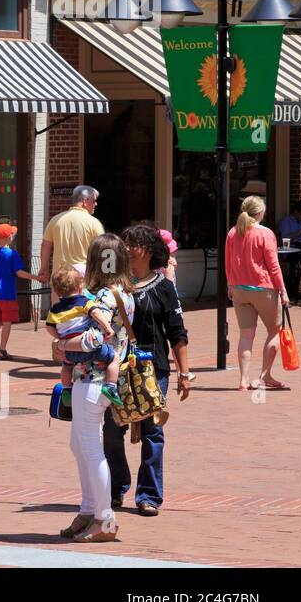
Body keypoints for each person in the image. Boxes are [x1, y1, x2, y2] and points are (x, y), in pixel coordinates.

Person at [106, 223, 192, 517]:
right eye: (124, 242)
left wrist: (184, 373)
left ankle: (149, 495)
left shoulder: (165, 288)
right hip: (116, 368)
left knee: (152, 431)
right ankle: (116, 487)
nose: (126, 247)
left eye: (131, 243)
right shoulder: (115, 286)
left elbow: (178, 333)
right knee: (112, 430)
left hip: (153, 368)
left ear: (144, 249)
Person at [57, 233, 134, 542]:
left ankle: (104, 518)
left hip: (94, 378)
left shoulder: (102, 296)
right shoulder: (120, 292)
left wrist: (61, 344)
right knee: (81, 446)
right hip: (94, 378)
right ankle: (90, 509)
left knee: (90, 449)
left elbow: (93, 339)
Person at [225, 196, 291, 391]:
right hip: (264, 288)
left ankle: (243, 380)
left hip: (239, 289)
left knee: (246, 335)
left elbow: (228, 263)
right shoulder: (265, 233)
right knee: (274, 331)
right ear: (260, 212)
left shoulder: (232, 232)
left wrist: (230, 285)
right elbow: (274, 266)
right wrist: (283, 291)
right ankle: (264, 375)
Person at [45, 266, 119, 405]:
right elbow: (96, 313)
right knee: (114, 357)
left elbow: (48, 326)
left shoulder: (55, 309)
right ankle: (111, 386)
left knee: (66, 367)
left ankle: (67, 389)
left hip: (70, 352)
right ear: (80, 287)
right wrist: (107, 327)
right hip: (88, 347)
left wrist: (59, 337)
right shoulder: (84, 301)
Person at [0, 223, 38, 359]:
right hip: (7, 293)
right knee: (7, 321)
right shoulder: (12, 254)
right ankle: (2, 349)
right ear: (10, 237)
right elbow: (19, 272)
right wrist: (35, 277)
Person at [39, 186, 105, 288]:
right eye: (94, 201)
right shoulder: (94, 223)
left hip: (59, 280)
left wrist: (43, 269)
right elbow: (104, 249)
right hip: (83, 280)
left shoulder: (55, 220)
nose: (96, 204)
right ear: (84, 201)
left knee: (58, 305)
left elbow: (45, 245)